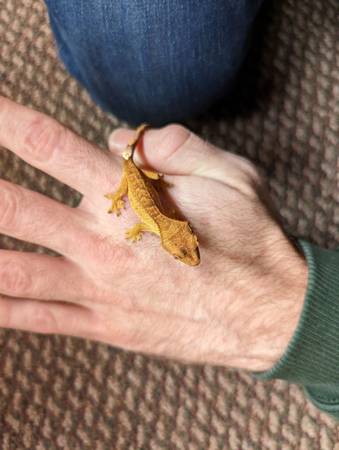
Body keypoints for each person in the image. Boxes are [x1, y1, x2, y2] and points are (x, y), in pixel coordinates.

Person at [0, 0, 338, 421]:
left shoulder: (168, 228)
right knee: (152, 83)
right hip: (137, 180)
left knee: (155, 68)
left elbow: (156, 223)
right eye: (185, 249)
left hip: (144, 185)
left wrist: (275, 314)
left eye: (185, 251)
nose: (189, 254)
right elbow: (152, 214)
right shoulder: (166, 227)